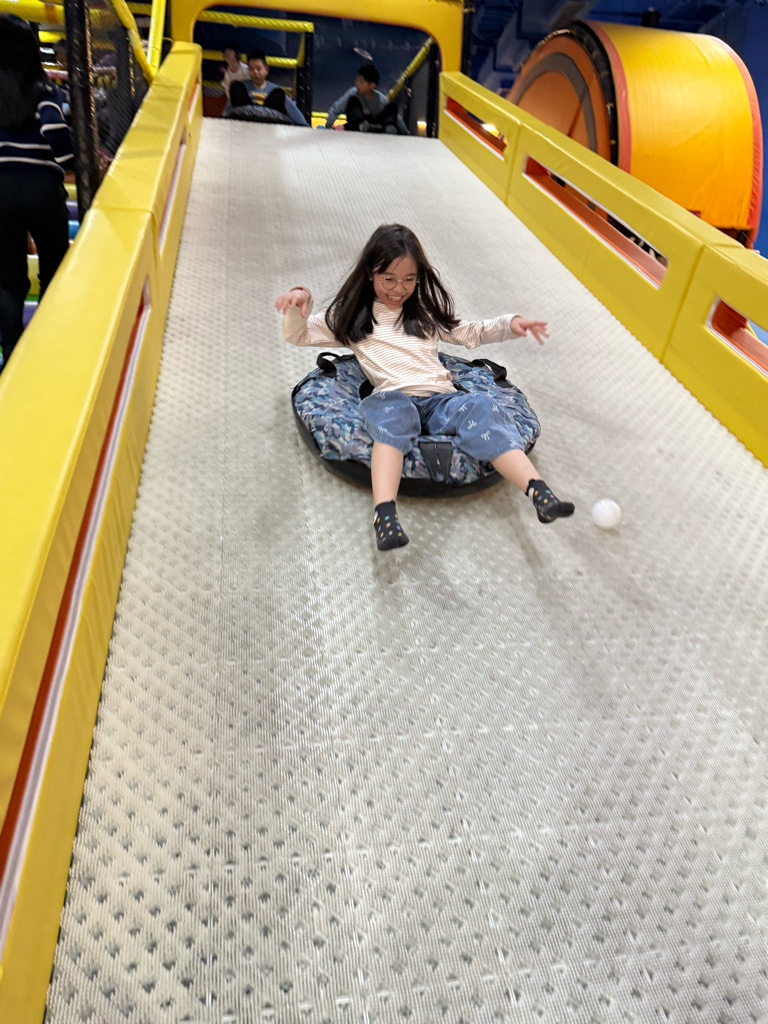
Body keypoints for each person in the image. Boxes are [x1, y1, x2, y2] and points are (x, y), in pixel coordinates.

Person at [275, 224, 574, 551]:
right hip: (392, 397)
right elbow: (298, 334)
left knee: (482, 408)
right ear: (370, 274)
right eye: (388, 278)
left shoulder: (425, 315)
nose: (398, 289)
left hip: (440, 400)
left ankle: (538, 492)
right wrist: (299, 300)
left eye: (409, 279)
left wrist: (511, 324)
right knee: (393, 421)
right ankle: (384, 516)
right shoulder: (353, 317)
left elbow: (472, 333)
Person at [0, 16, 74, 371]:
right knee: (55, 271)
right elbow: (56, 131)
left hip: (1, 188)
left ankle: (12, 360)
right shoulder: (43, 89)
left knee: (8, 280)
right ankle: (46, 356)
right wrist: (73, 161)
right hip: (43, 187)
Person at [228, 48, 307, 126]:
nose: (255, 72)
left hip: (269, 121)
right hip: (245, 119)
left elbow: (295, 113)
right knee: (236, 87)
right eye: (251, 69)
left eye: (258, 69)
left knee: (278, 94)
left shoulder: (274, 89)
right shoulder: (243, 86)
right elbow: (227, 110)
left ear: (266, 70)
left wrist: (305, 126)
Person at [325, 64, 408, 135]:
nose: (357, 84)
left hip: (376, 127)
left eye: (361, 82)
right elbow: (335, 110)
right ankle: (361, 127)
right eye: (357, 80)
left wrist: (406, 134)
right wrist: (327, 128)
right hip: (357, 127)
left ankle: (386, 131)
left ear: (372, 85)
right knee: (353, 101)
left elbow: (396, 118)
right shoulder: (352, 93)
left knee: (392, 107)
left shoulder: (380, 99)